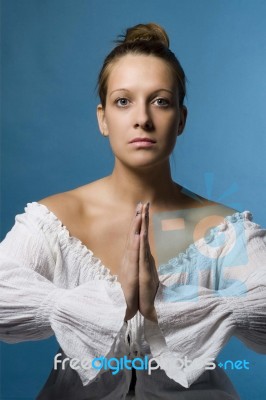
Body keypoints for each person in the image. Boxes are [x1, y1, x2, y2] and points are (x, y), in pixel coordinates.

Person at [0, 22, 266, 400]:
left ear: (182, 119)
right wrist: (108, 303)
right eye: (123, 101)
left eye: (160, 101)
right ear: (103, 118)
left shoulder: (223, 229)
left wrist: (166, 305)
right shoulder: (53, 219)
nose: (142, 118)